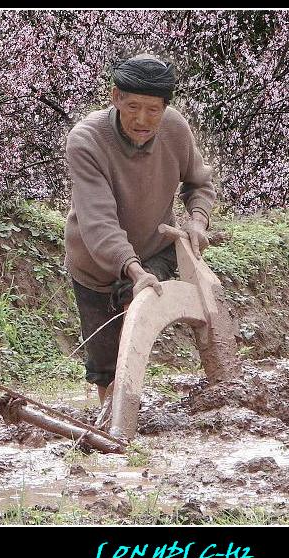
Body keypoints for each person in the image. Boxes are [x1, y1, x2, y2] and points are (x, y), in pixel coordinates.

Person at [63, 53, 216, 407]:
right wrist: (133, 270)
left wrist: (197, 219)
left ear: (165, 107)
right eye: (132, 107)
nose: (142, 119)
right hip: (96, 262)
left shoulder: (175, 129)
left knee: (137, 319)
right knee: (104, 365)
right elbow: (98, 222)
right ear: (115, 97)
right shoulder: (86, 140)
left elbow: (199, 183)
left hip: (154, 249)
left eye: (153, 109)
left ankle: (131, 404)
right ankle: (113, 421)